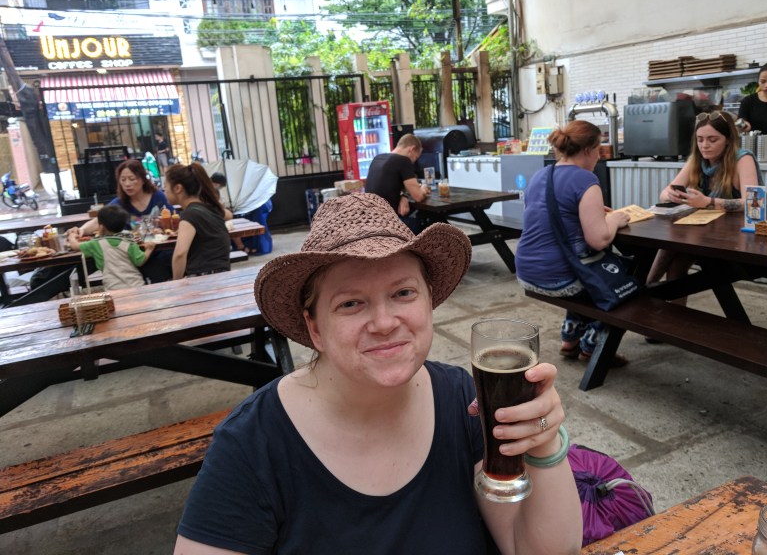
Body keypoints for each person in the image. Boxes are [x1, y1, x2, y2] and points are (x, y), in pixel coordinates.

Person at [174, 193, 582, 555]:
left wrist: (544, 444)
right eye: (351, 303)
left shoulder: (463, 400)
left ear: (428, 301)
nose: (385, 323)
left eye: (403, 293)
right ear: (315, 329)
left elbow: (540, 550)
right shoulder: (252, 444)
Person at [515, 121, 630, 366]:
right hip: (558, 278)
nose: (599, 156)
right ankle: (593, 345)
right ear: (588, 150)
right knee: (625, 284)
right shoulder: (586, 180)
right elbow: (599, 240)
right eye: (599, 149)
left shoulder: (541, 175)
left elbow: (547, 217)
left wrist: (590, 212)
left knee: (584, 273)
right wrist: (615, 219)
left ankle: (570, 338)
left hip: (526, 272)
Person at [646, 110, 766, 287]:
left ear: (728, 140)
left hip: (741, 237)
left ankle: (647, 290)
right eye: (700, 139)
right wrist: (672, 195)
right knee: (674, 255)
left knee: (675, 254)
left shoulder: (742, 159)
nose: (705, 145)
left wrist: (708, 202)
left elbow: (753, 204)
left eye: (712, 139)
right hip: (708, 232)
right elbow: (664, 193)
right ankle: (648, 290)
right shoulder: (696, 160)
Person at [67, 159, 174, 283]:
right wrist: (81, 230)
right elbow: (99, 221)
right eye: (123, 180)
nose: (127, 184)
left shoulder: (158, 196)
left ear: (142, 179)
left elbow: (172, 219)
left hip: (160, 249)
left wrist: (160, 226)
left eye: (132, 179)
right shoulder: (119, 203)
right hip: (134, 253)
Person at [165, 163, 231, 279]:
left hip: (203, 279)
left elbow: (180, 254)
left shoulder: (189, 215)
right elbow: (229, 215)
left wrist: (175, 283)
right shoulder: (208, 208)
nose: (164, 190)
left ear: (178, 188)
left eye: (165, 186)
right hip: (222, 275)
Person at [66, 204, 155, 291]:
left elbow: (75, 246)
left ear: (101, 227)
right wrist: (149, 249)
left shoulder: (96, 243)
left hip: (112, 288)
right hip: (136, 285)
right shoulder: (129, 238)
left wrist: (72, 237)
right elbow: (139, 261)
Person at [364, 133, 431, 233]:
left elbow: (388, 185)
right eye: (416, 157)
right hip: (388, 225)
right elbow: (418, 196)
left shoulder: (378, 158)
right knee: (430, 222)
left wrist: (404, 195)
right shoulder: (403, 161)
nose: (414, 162)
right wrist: (424, 188)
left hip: (370, 221)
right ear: (412, 149)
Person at [210, 172, 250, 253]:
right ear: (217, 184)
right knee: (229, 223)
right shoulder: (209, 190)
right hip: (211, 217)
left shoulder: (210, 189)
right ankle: (240, 246)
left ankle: (239, 246)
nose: (220, 188)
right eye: (220, 186)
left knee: (229, 222)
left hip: (212, 216)